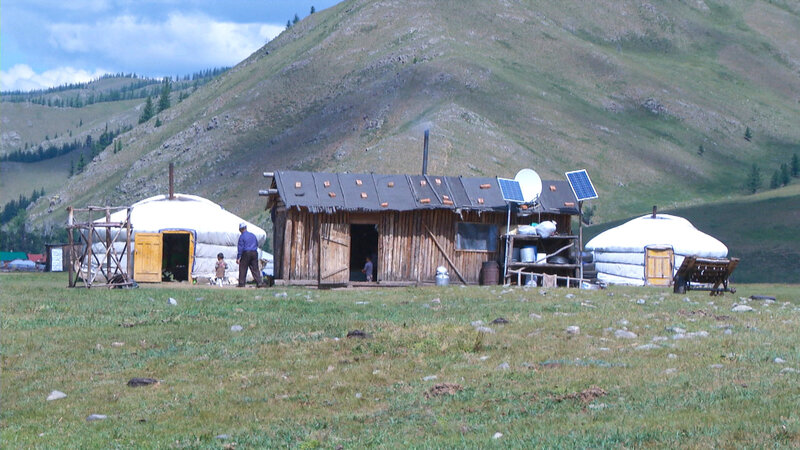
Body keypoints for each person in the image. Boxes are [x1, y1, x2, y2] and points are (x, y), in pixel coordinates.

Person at [236, 222, 264, 287]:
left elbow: (240, 247)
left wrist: (238, 257)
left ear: (240, 229)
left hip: (246, 252)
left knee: (243, 268)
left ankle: (242, 283)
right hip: (254, 252)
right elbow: (257, 244)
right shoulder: (253, 235)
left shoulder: (242, 236)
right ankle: (259, 282)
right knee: (255, 268)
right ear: (246, 228)